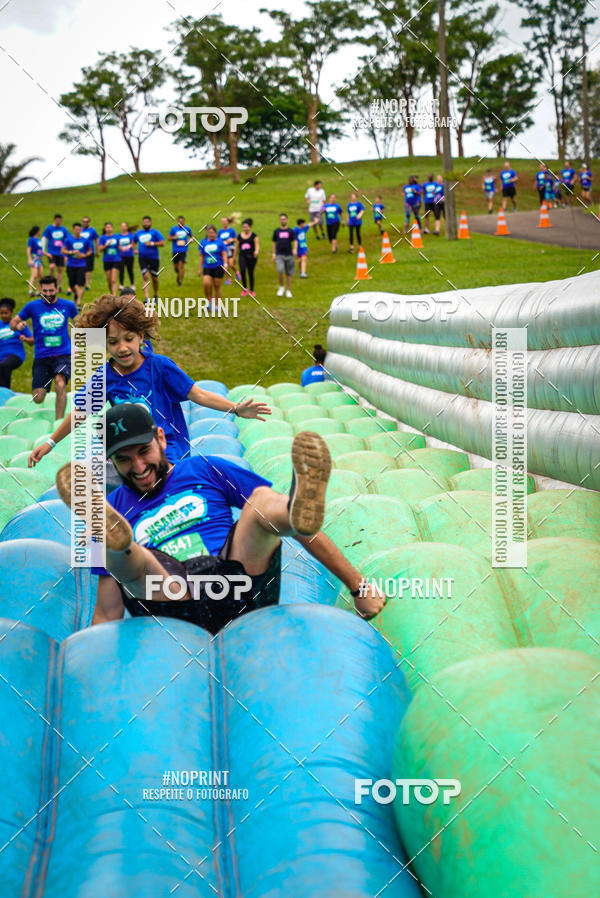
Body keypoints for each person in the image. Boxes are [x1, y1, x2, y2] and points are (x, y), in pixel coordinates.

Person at [55, 404, 385, 633]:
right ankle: (121, 547)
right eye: (124, 460)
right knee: (135, 559)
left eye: (144, 452)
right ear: (111, 461)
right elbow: (108, 611)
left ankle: (293, 511)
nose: (139, 468)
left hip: (238, 585)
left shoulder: (203, 468)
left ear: (161, 437)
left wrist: (359, 586)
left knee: (259, 503)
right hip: (171, 601)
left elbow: (299, 532)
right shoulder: (115, 507)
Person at [28, 293, 271, 469]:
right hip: (131, 453)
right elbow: (81, 412)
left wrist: (237, 409)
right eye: (113, 342)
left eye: (128, 339)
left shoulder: (160, 367)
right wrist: (50, 443)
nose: (122, 348)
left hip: (170, 451)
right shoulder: (105, 375)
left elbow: (199, 395)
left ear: (141, 336)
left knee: (161, 481)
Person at [10, 276, 77, 420]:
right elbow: (13, 323)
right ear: (40, 288)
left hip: (62, 354)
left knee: (60, 384)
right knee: (38, 397)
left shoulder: (68, 305)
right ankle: (44, 391)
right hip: (42, 356)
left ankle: (58, 422)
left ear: (57, 288)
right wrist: (18, 326)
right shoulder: (32, 306)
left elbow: (80, 322)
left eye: (51, 290)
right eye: (44, 291)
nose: (48, 294)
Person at [0, 297, 33, 388]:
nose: (3, 315)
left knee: (4, 365)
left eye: (6, 313)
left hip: (16, 355)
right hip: (1, 356)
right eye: (1, 313)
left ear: (11, 313)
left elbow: (32, 341)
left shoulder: (19, 324)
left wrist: (25, 339)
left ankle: (5, 391)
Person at [133, 216, 164, 301]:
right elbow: (133, 242)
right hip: (142, 258)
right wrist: (134, 250)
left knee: (154, 278)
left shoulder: (155, 232)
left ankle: (155, 293)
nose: (146, 223)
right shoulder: (138, 233)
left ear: (150, 223)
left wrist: (152, 243)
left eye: (147, 222)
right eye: (144, 222)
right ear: (142, 223)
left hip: (153, 258)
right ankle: (146, 297)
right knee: (145, 276)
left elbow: (162, 243)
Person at [63, 222, 93, 308]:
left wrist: (85, 255)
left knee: (80, 284)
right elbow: (62, 251)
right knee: (72, 285)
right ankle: (76, 295)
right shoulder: (68, 240)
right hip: (71, 265)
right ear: (73, 230)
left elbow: (90, 250)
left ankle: (79, 303)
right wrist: (71, 252)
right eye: (76, 229)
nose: (78, 231)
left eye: (79, 229)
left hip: (81, 265)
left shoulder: (85, 240)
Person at [198, 225, 228, 306]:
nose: (211, 234)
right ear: (207, 233)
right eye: (209, 233)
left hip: (218, 267)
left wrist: (225, 264)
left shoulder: (220, 242)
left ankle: (217, 304)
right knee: (206, 284)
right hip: (207, 267)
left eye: (212, 233)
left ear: (216, 233)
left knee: (217, 286)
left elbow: (224, 253)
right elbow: (201, 256)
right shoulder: (203, 242)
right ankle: (209, 301)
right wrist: (200, 268)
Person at [42, 214, 69, 293]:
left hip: (60, 252)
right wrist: (43, 250)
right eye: (57, 220)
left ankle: (58, 286)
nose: (59, 222)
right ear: (55, 220)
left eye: (60, 220)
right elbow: (44, 238)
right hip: (51, 252)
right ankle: (51, 283)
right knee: (52, 267)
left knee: (60, 269)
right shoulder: (49, 228)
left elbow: (68, 239)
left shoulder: (63, 229)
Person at [272, 213, 297, 297]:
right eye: (281, 219)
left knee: (289, 273)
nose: (282, 220)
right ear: (280, 220)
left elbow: (295, 240)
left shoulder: (290, 231)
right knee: (280, 270)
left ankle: (288, 290)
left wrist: (294, 249)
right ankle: (281, 287)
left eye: (284, 219)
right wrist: (273, 254)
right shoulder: (277, 231)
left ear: (286, 220)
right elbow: (274, 242)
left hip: (289, 254)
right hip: (279, 254)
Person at [237, 218, 259, 297]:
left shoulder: (254, 236)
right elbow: (237, 247)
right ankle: (245, 289)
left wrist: (256, 251)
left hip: (252, 257)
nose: (245, 228)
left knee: (250, 273)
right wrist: (233, 257)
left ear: (249, 227)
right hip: (242, 256)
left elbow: (257, 246)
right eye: (244, 227)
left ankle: (252, 290)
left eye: (247, 227)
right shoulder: (239, 236)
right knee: (242, 271)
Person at [169, 215, 193, 287]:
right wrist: (174, 237)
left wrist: (189, 241)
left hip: (183, 250)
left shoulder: (187, 229)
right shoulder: (173, 229)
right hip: (175, 250)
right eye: (179, 221)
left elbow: (192, 237)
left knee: (181, 266)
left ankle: (179, 282)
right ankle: (179, 274)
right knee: (175, 267)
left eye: (182, 221)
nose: (180, 223)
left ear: (184, 222)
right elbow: (169, 238)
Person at [98, 222, 121, 296]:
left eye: (110, 227)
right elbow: (100, 249)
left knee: (114, 280)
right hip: (107, 260)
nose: (108, 229)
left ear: (112, 228)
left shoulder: (116, 237)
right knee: (109, 281)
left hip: (116, 260)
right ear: (105, 229)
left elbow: (119, 247)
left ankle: (114, 297)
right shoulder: (102, 238)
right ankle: (112, 295)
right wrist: (106, 245)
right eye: (107, 227)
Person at [80, 217, 99, 291]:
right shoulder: (79, 230)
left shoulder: (92, 230)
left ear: (89, 222)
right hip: (81, 252)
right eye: (83, 221)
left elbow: (96, 239)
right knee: (81, 267)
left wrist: (97, 251)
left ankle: (87, 284)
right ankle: (81, 282)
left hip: (90, 252)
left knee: (88, 269)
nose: (85, 223)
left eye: (86, 221)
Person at [218, 217, 237, 286]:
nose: (224, 223)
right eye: (222, 222)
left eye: (225, 221)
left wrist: (231, 240)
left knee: (231, 264)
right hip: (223, 250)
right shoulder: (220, 231)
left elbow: (236, 240)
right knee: (225, 265)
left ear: (228, 222)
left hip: (230, 248)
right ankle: (228, 279)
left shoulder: (231, 230)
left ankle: (237, 272)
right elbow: (218, 241)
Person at [26, 226, 44, 297]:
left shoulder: (38, 240)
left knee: (40, 276)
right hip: (34, 259)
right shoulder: (31, 239)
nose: (40, 232)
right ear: (37, 231)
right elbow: (28, 250)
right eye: (39, 231)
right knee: (34, 275)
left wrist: (45, 255)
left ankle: (38, 291)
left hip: (39, 259)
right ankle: (30, 291)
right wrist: (30, 259)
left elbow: (40, 250)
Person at [117, 222, 135, 288]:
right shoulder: (118, 236)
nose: (123, 227)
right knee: (121, 270)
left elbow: (133, 243)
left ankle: (132, 284)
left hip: (129, 255)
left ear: (127, 227)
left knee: (130, 270)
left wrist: (128, 247)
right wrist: (121, 248)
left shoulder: (131, 235)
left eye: (124, 226)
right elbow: (117, 244)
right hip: (121, 256)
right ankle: (121, 284)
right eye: (122, 226)